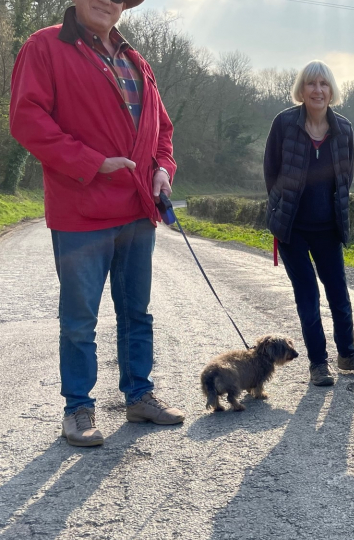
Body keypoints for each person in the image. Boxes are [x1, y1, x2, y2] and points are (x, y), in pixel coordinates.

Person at [9, 0, 185, 447]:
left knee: (136, 313)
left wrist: (163, 168)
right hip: (81, 210)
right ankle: (78, 408)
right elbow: (26, 120)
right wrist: (93, 163)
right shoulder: (44, 45)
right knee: (79, 318)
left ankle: (139, 396)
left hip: (137, 208)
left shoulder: (136, 59)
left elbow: (161, 129)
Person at [264, 60, 354, 387]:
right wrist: (281, 208)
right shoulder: (284, 123)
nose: (318, 90)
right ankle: (318, 363)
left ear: (332, 91)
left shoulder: (344, 129)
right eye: (311, 84)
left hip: (328, 228)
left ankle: (348, 354)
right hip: (292, 230)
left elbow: (346, 177)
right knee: (307, 296)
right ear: (302, 90)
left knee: (339, 294)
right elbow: (271, 172)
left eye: (324, 84)